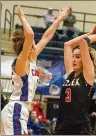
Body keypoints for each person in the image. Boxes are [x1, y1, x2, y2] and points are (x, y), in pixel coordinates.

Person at [1, 5, 71, 135]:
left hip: (20, 110)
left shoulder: (31, 60)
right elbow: (30, 35)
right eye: (33, 44)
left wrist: (60, 18)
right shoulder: (21, 62)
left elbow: (46, 37)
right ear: (28, 48)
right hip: (16, 108)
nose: (36, 45)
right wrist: (22, 17)